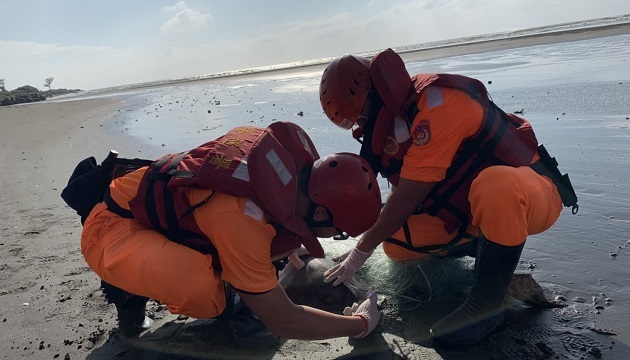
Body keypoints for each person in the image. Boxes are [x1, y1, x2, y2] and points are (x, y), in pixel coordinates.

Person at [318, 49, 578, 345]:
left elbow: (409, 196)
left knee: (496, 185)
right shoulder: (395, 121)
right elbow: (390, 199)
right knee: (397, 244)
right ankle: (488, 259)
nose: (361, 126)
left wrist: (359, 252)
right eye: (355, 123)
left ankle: (486, 306)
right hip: (471, 212)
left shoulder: (438, 103)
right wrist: (316, 236)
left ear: (372, 93)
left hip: (534, 194)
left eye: (361, 116)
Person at [78, 121, 382, 344]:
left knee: (252, 264)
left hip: (151, 209)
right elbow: (284, 320)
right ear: (319, 212)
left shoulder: (281, 164)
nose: (332, 237)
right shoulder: (244, 219)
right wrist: (359, 324)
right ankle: (127, 293)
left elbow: (260, 209)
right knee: (223, 298)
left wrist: (287, 248)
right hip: (110, 228)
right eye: (337, 231)